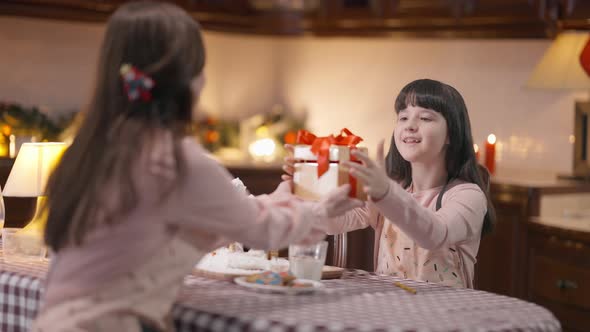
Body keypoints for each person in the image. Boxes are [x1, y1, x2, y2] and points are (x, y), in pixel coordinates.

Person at [32, 2, 362, 331]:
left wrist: (283, 195)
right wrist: (320, 211)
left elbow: (222, 218)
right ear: (186, 80)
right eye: (200, 67)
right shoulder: (173, 160)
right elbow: (259, 229)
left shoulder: (92, 150)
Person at [283, 79, 495, 288]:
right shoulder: (392, 188)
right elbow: (331, 222)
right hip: (389, 309)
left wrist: (385, 192)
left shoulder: (468, 195)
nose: (410, 125)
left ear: (451, 134)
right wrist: (305, 188)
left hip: (444, 315)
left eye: (425, 118)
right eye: (403, 117)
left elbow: (435, 235)